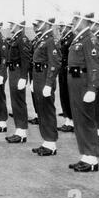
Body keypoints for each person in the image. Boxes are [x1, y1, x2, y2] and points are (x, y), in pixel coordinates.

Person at [67, 12, 99, 172]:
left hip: (83, 84)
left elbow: (96, 66)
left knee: (86, 120)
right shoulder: (80, 38)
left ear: (84, 21)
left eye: (75, 19)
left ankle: (93, 159)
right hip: (75, 83)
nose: (73, 21)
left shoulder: (90, 39)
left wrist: (92, 89)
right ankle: (85, 156)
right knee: (79, 119)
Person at [30, 18, 61, 156]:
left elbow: (55, 63)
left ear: (47, 24)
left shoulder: (50, 40)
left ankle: (51, 143)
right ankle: (46, 141)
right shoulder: (41, 39)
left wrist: (49, 83)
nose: (36, 26)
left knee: (47, 110)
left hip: (45, 77)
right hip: (38, 76)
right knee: (41, 110)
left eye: (38, 24)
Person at [5, 19, 31, 143]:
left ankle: (22, 133)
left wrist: (23, 77)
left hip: (18, 72)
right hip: (13, 71)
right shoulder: (16, 38)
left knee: (19, 102)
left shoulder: (22, 39)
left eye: (12, 24)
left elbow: (26, 59)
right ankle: (18, 130)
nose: (10, 26)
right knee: (15, 102)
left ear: (18, 25)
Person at [57, 21, 75, 132]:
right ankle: (67, 119)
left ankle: (71, 121)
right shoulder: (64, 38)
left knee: (68, 95)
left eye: (63, 26)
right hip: (62, 69)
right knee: (63, 94)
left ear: (68, 27)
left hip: (67, 69)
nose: (61, 28)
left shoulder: (72, 38)